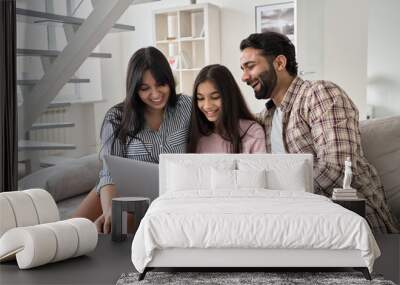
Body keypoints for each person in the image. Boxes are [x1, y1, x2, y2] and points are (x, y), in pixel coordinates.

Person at [239, 31, 399, 233]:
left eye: (250, 66)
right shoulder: (267, 118)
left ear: (279, 63)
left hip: (356, 226)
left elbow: (338, 171)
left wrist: (276, 190)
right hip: (306, 226)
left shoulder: (319, 94)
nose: (244, 77)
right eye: (242, 69)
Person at [73, 47, 192, 233]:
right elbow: (109, 174)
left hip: (167, 196)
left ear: (170, 81)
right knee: (67, 231)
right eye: (145, 88)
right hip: (120, 191)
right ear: (134, 89)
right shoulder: (117, 117)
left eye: (161, 84)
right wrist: (110, 210)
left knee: (112, 230)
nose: (155, 94)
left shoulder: (186, 107)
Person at [188, 64, 266, 153]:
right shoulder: (196, 134)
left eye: (215, 97)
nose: (207, 106)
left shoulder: (252, 132)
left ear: (229, 96)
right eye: (200, 98)